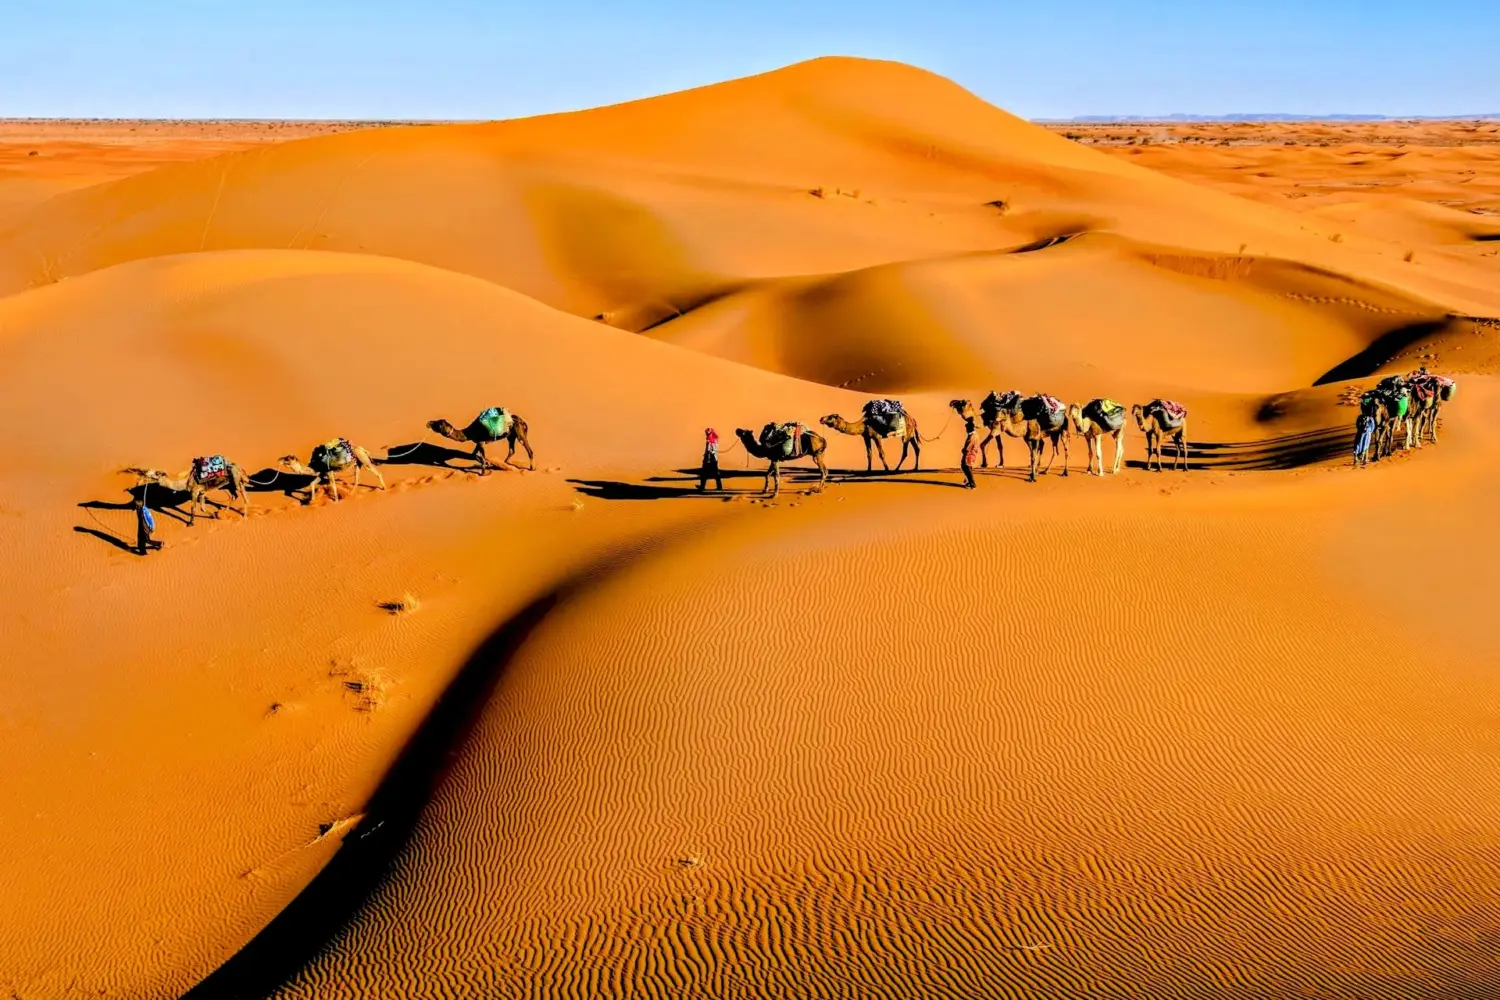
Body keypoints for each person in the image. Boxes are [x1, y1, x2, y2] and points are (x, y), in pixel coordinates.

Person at [698, 427, 723, 492]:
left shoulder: (709, 441)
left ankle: (702, 487)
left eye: (707, 433)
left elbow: (708, 451)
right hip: (715, 459)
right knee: (716, 473)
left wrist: (707, 460)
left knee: (703, 473)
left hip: (709, 459)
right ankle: (719, 486)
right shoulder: (716, 440)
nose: (706, 435)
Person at [960, 411, 979, 489]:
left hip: (969, 454)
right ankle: (970, 482)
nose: (966, 430)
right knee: (967, 467)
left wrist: (964, 450)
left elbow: (968, 446)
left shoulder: (972, 436)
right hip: (972, 453)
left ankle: (972, 483)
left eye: (967, 428)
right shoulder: (975, 434)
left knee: (965, 466)